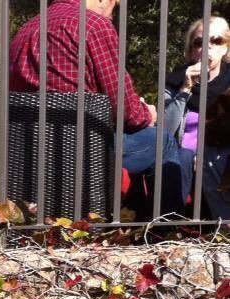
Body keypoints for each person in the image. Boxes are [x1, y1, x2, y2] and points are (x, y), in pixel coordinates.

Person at [9, 0, 186, 214]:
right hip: (82, 145)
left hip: (28, 146)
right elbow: (126, 111)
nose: (111, 15)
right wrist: (147, 114)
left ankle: (129, 219)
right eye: (114, 6)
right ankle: (167, 225)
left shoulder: (27, 28)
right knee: (161, 141)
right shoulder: (94, 25)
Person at [165, 16, 230, 219]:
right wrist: (185, 89)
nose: (207, 47)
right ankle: (171, 224)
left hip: (220, 150)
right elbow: (166, 130)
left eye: (216, 41)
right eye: (199, 42)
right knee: (185, 157)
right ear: (192, 50)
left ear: (225, 48)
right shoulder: (174, 81)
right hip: (182, 153)